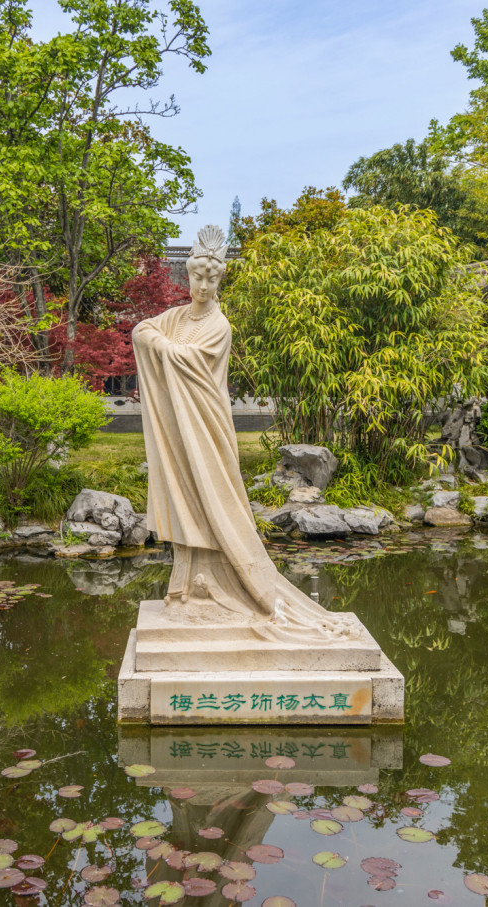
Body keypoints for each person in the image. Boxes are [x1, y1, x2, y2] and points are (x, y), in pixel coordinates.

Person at [132, 226, 358, 642]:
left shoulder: (218, 326)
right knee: (188, 500)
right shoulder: (177, 317)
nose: (201, 285)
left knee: (212, 498)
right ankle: (187, 590)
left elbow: (187, 361)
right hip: (180, 428)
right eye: (195, 277)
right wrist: (159, 342)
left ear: (219, 281)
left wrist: (162, 347)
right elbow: (142, 329)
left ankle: (223, 585)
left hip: (206, 426)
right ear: (187, 278)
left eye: (210, 279)